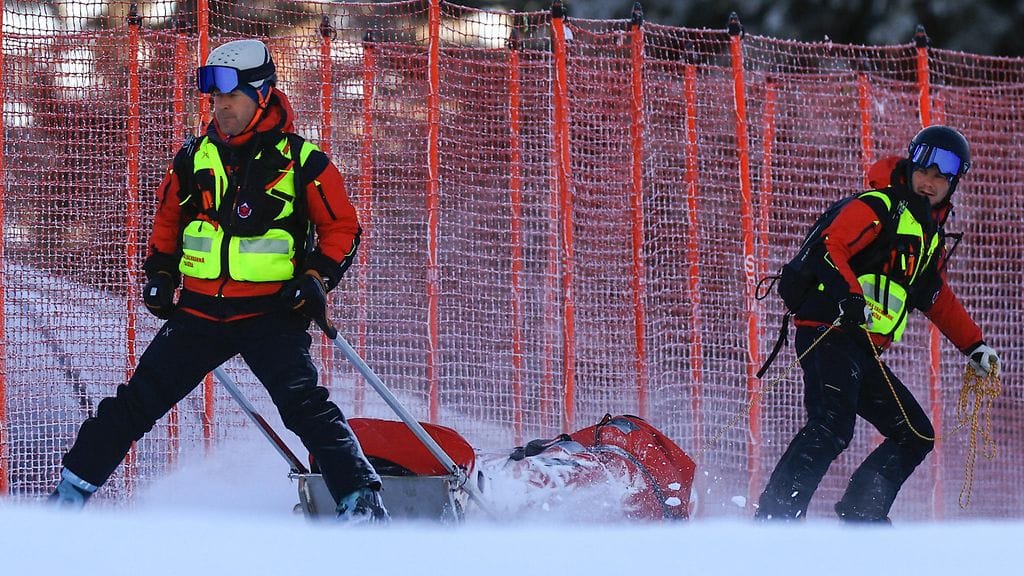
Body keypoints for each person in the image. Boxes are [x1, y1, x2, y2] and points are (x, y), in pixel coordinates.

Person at [49, 39, 388, 523]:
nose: (220, 106)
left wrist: (317, 277)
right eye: (214, 97)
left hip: (272, 314)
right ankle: (66, 500)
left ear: (263, 94)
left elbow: (342, 227)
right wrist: (161, 274)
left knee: (304, 408)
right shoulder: (192, 158)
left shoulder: (302, 161)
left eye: (231, 95)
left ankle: (362, 505)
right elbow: (167, 224)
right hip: (199, 313)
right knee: (134, 404)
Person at [755, 125, 1001, 522]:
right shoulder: (877, 206)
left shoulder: (926, 237)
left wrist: (975, 346)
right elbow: (827, 248)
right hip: (829, 331)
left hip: (861, 347)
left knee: (915, 433)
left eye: (942, 177)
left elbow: (933, 296)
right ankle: (774, 519)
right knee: (833, 425)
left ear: (953, 184)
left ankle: (861, 515)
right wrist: (850, 297)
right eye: (925, 171)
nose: (930, 182)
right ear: (910, 165)